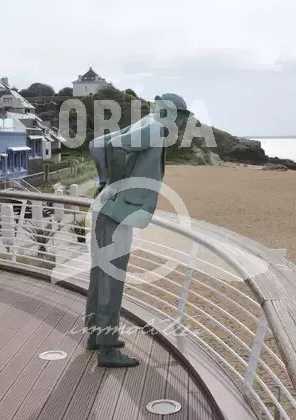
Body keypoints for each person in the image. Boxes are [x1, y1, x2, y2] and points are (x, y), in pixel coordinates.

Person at [86, 93, 191, 368]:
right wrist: (115, 183)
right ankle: (107, 350)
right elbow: (112, 147)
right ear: (171, 112)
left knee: (101, 274)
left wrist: (105, 182)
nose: (182, 122)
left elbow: (97, 145)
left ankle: (96, 336)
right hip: (116, 213)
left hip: (109, 210)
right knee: (111, 279)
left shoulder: (147, 122)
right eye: (182, 116)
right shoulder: (155, 127)